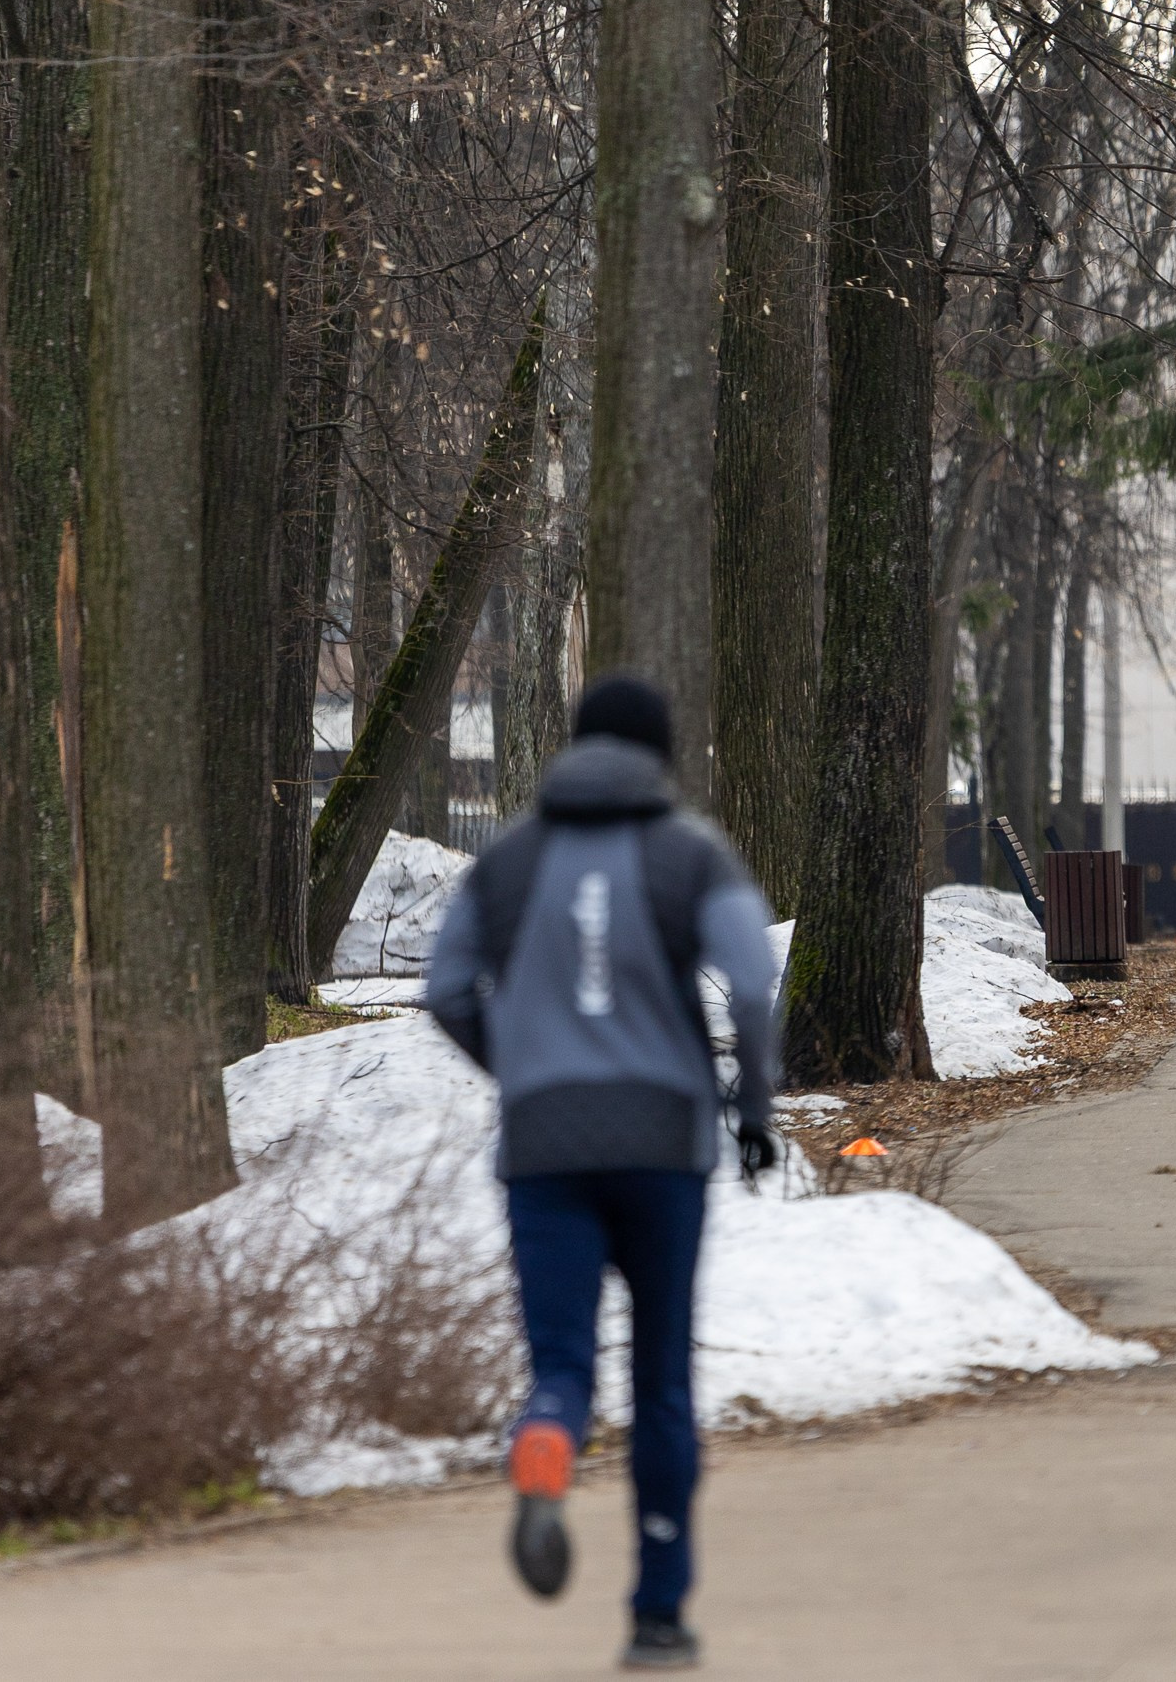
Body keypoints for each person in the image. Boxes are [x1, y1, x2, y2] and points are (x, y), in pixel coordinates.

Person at [424, 674, 781, 1671]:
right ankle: (658, 1610)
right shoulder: (690, 854)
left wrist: (522, 1068)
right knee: (662, 1379)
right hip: (664, 1145)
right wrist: (750, 1110)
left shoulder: (505, 860)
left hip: (544, 1150)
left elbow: (445, 986)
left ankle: (544, 1438)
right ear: (660, 755)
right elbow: (752, 983)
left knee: (564, 1365)